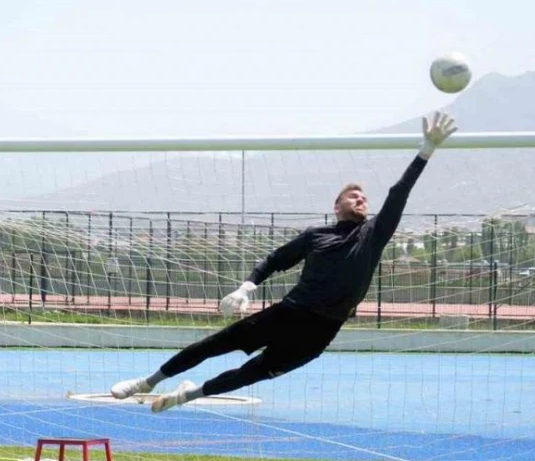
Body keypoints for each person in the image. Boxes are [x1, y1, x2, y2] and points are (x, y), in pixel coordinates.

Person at [111, 111, 458, 413]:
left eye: (364, 197)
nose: (361, 199)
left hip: (322, 331)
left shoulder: (374, 234)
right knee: (212, 346)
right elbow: (275, 260)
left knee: (248, 375)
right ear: (336, 206)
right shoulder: (316, 235)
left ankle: (188, 395)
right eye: (353, 196)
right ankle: (148, 382)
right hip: (288, 313)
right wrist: (245, 289)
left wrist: (426, 150)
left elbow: (398, 194)